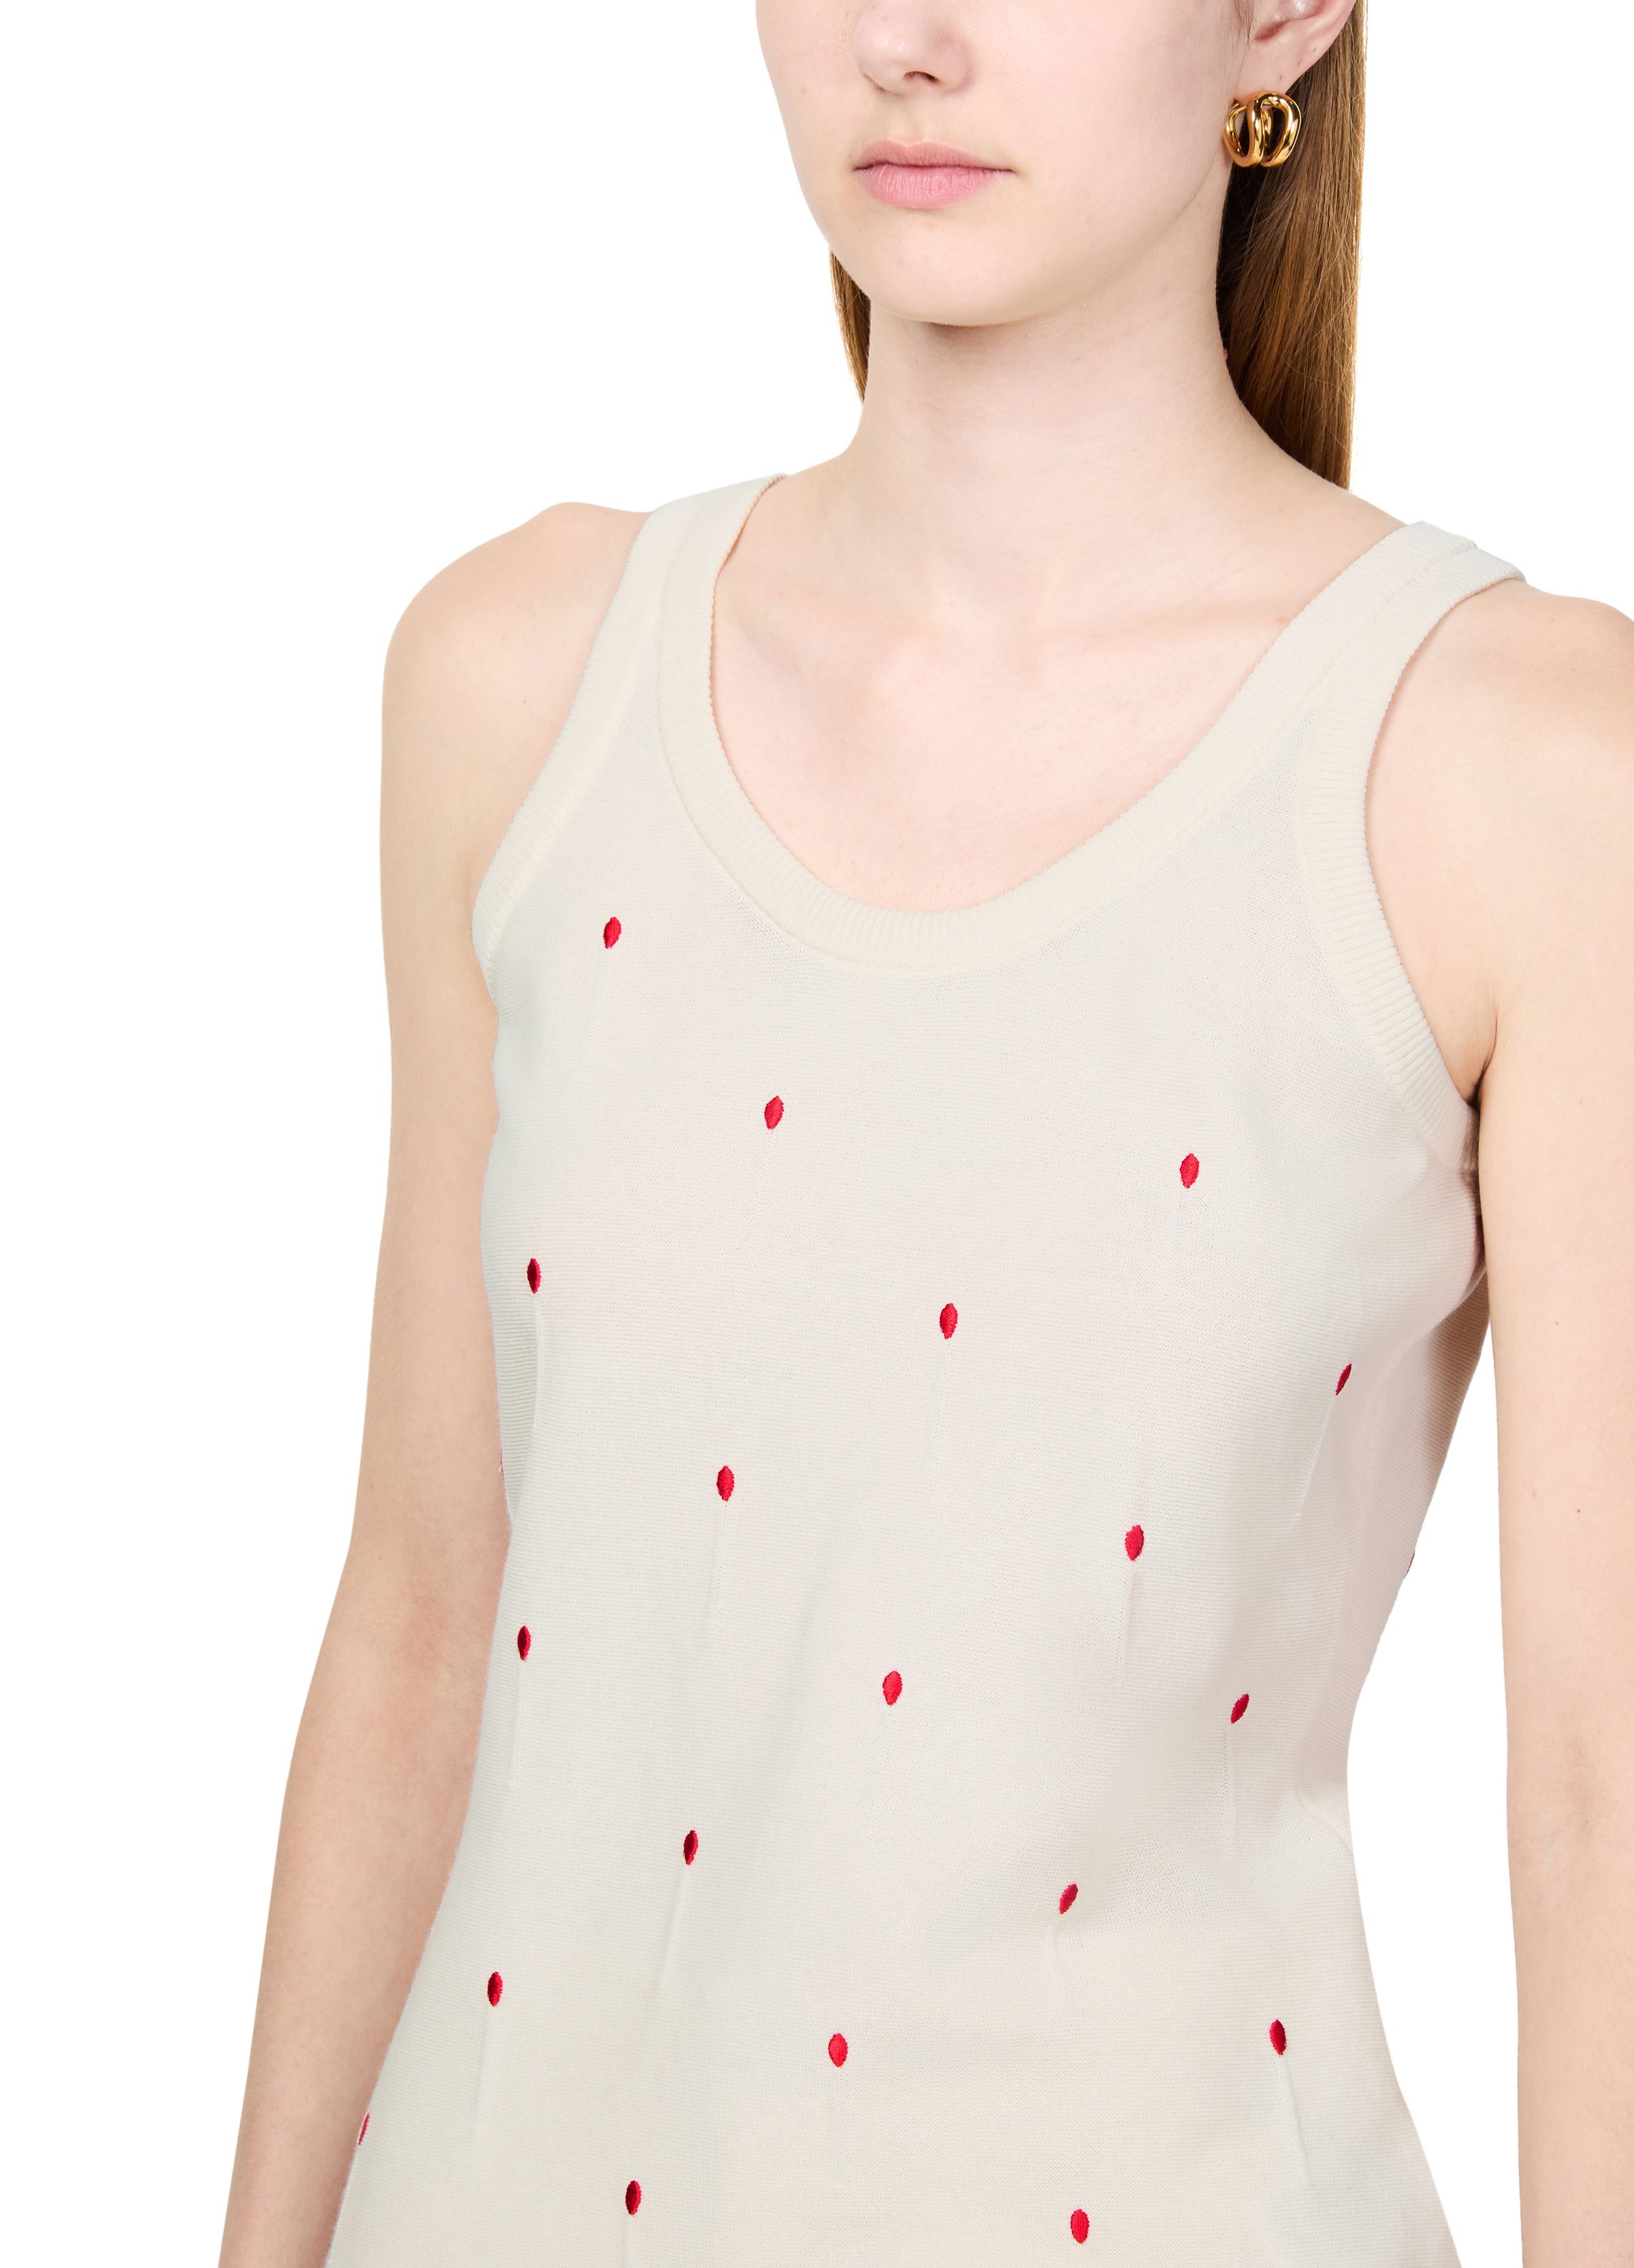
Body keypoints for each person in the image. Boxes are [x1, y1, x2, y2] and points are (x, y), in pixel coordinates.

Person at [218, 3, 1634, 2263]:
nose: (908, 37)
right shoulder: (520, 680)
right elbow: (420, 1615)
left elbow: (1596, 1806)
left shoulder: (1524, 770)